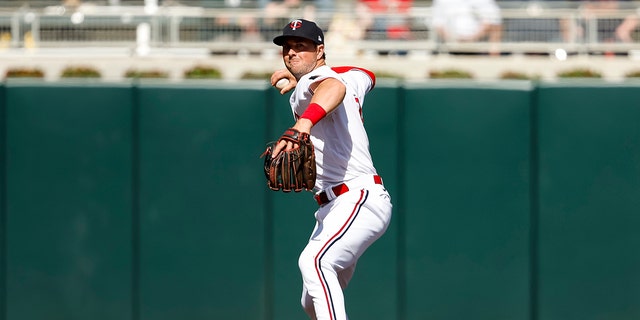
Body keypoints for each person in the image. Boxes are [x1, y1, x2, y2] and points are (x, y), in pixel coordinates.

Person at [268, 18, 393, 320]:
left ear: (320, 50)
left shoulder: (321, 83)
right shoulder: (350, 78)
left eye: (301, 46)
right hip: (337, 205)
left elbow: (332, 87)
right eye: (287, 47)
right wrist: (302, 76)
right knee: (312, 299)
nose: (292, 53)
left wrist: (304, 123)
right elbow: (367, 74)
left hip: (357, 197)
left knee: (314, 262)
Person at [431, 0, 503, 55]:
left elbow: (494, 21)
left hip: (479, 49)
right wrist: (453, 39)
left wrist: (473, 38)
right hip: (450, 48)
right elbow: (438, 23)